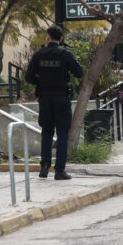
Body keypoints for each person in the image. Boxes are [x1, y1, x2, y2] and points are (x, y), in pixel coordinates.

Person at [25, 26, 83, 180]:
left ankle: (44, 167)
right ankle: (59, 171)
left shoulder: (39, 55)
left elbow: (29, 77)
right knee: (62, 134)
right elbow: (79, 72)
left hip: (45, 98)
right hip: (62, 98)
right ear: (62, 39)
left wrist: (41, 82)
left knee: (47, 133)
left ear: (48, 38)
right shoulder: (66, 54)